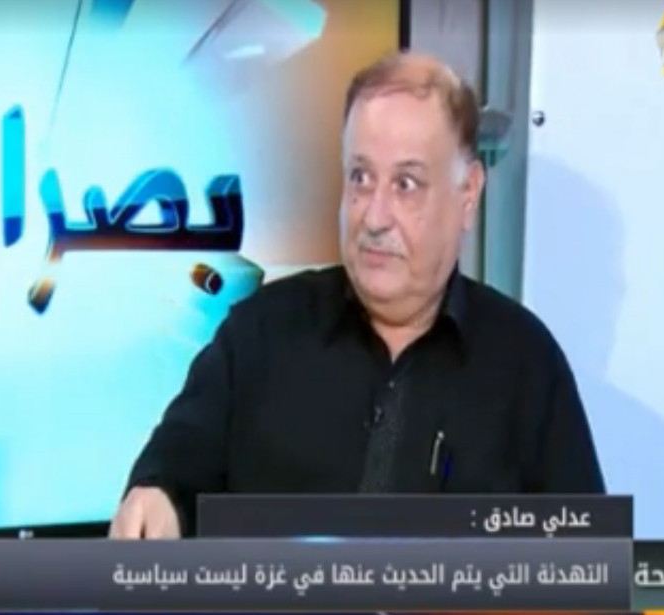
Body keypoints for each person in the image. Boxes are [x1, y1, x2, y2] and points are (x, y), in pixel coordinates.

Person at [109, 52, 605, 540]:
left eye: (406, 184)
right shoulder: (259, 331)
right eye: (360, 178)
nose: (374, 216)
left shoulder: (525, 365)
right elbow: (176, 463)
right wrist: (158, 496)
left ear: (468, 191)